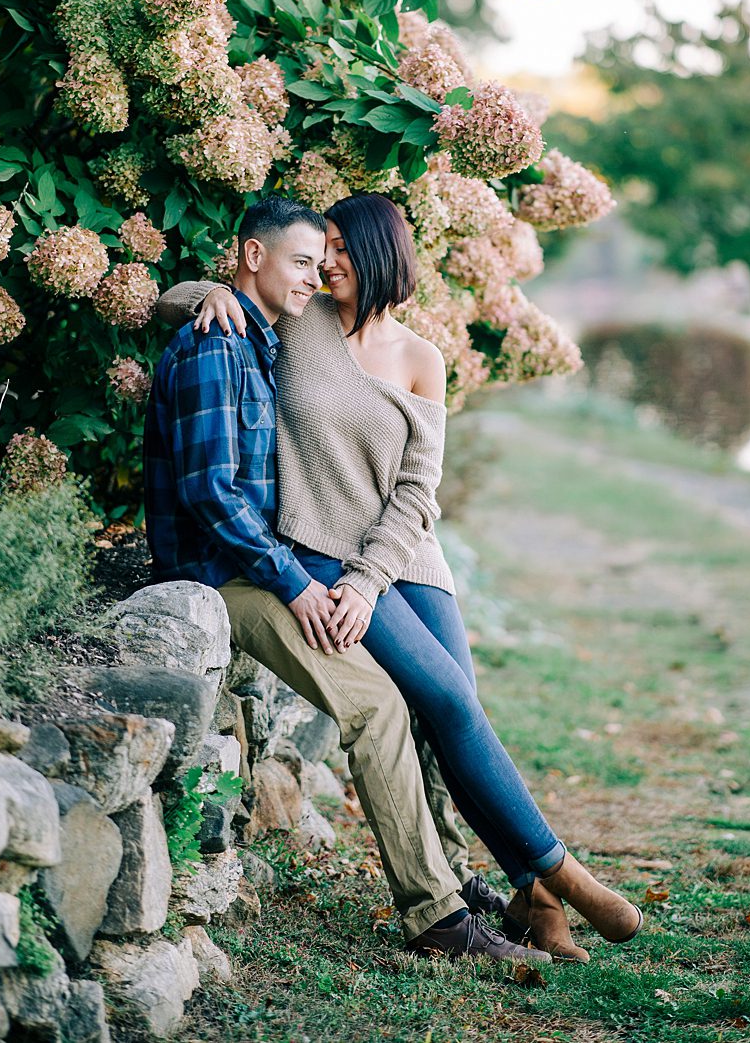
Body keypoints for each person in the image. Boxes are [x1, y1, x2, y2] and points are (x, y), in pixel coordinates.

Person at [158, 191, 641, 961]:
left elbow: (419, 490)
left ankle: (529, 893)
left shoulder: (423, 358)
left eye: (340, 247)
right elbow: (213, 302)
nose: (327, 261)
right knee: (443, 700)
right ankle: (557, 872)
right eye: (320, 249)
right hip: (326, 548)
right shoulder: (302, 320)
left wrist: (373, 575)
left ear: (380, 255)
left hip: (406, 555)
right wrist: (206, 292)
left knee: (458, 709)